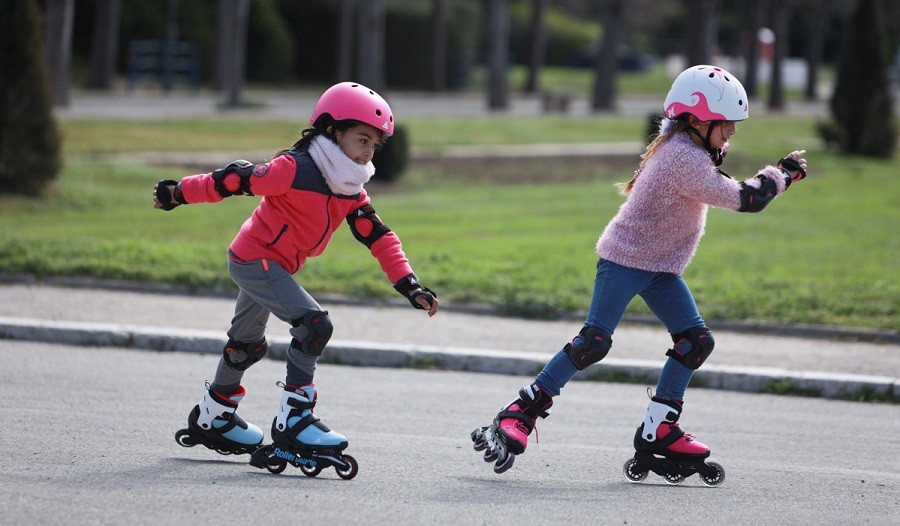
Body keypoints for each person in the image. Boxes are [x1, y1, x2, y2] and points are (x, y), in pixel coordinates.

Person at [471, 65, 808, 481]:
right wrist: (783, 173)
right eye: (728, 126)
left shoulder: (689, 149)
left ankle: (659, 429)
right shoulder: (683, 157)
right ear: (699, 120)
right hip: (625, 260)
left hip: (659, 268)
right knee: (592, 342)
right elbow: (747, 199)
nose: (732, 135)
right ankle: (519, 412)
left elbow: (729, 182)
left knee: (695, 342)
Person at [155, 82, 439, 470]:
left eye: (374, 144)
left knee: (246, 345)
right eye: (361, 140)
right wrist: (179, 193)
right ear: (331, 130)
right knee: (314, 326)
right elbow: (235, 179)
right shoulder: (294, 168)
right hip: (256, 259)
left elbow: (378, 235)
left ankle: (214, 417)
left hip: (273, 264)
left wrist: (409, 284)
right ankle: (295, 420)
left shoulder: (349, 187)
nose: (368, 152)